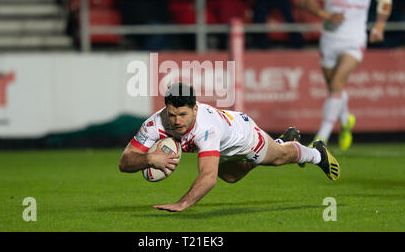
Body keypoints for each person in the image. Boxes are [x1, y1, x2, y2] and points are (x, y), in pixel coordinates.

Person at [118, 83, 340, 212]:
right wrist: (149, 159)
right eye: (172, 114)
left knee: (280, 157)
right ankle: (280, 143)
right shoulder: (154, 123)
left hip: (243, 137)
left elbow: (208, 176)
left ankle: (316, 153)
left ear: (195, 109)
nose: (176, 121)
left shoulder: (207, 128)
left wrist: (182, 203)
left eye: (183, 114)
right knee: (231, 177)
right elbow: (125, 161)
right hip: (220, 145)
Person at [299, 0, 392, 151]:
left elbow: (385, 0)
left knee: (337, 83)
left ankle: (320, 139)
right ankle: (345, 119)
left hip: (355, 39)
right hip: (330, 39)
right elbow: (307, 1)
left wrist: (379, 26)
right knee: (334, 87)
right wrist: (326, 15)